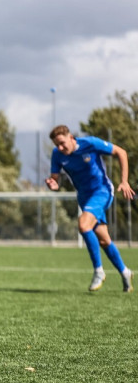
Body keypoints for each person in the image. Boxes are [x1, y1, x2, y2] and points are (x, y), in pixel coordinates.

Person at [46, 125, 134, 292]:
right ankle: (125, 272)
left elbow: (121, 152)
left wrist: (124, 181)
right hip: (84, 197)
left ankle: (98, 271)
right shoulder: (57, 155)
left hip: (102, 191)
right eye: (57, 145)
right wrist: (53, 184)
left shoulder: (90, 143)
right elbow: (55, 180)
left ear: (71, 137)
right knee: (103, 239)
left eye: (62, 143)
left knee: (84, 225)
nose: (60, 148)